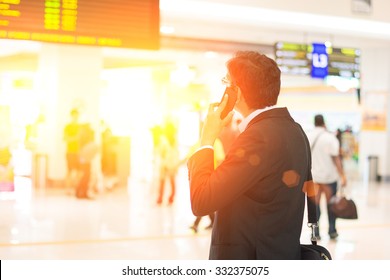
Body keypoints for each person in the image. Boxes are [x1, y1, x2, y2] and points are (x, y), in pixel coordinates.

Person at [187, 51, 312, 260]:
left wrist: (207, 140)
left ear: (235, 91)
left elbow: (202, 200)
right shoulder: (295, 130)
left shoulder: (258, 137)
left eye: (226, 81)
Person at [306, 114, 347, 240]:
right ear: (324, 123)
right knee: (331, 205)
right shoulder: (330, 137)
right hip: (329, 178)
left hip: (314, 178)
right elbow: (336, 159)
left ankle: (316, 232)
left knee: (315, 206)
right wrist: (343, 175)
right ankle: (332, 231)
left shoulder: (308, 136)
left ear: (314, 123)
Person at [76, 124, 99, 199]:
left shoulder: (83, 136)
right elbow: (81, 150)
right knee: (85, 176)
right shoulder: (84, 136)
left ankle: (82, 192)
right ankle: (81, 192)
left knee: (86, 176)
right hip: (84, 159)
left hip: (85, 159)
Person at [63, 109, 82, 194]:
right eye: (74, 115)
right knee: (69, 171)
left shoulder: (81, 127)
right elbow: (66, 139)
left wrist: (75, 138)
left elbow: (82, 140)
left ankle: (76, 188)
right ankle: (68, 189)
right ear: (71, 116)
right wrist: (76, 138)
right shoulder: (67, 127)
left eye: (76, 116)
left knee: (79, 172)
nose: (75, 117)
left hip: (79, 153)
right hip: (70, 152)